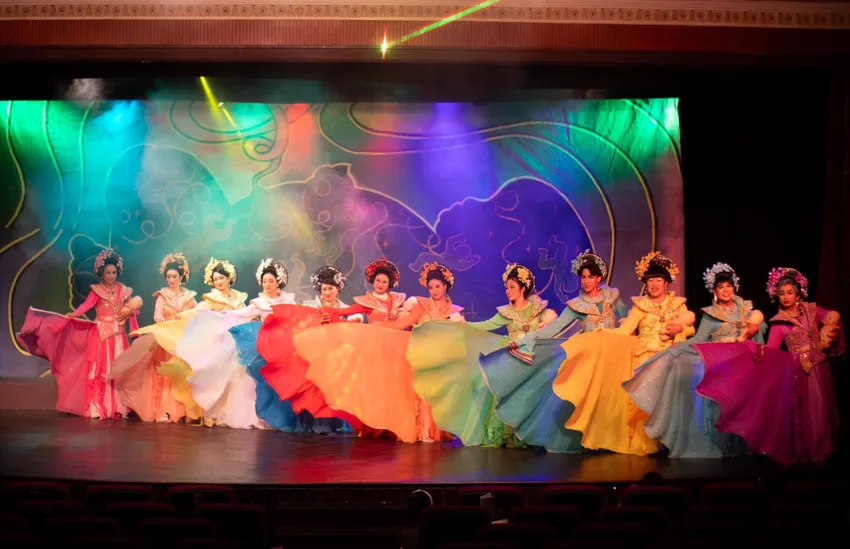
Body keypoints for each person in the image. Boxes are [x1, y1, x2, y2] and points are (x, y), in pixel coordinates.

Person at [470, 250, 627, 452]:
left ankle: (615, 437)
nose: (586, 281)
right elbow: (554, 328)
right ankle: (594, 440)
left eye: (590, 277)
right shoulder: (576, 305)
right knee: (591, 400)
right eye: (583, 277)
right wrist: (525, 341)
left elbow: (627, 319)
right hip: (592, 358)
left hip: (614, 355)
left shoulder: (613, 298)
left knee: (615, 398)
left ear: (599, 278)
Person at [551, 251, 695, 455]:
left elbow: (690, 329)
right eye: (650, 280)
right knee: (647, 404)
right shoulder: (640, 306)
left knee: (673, 401)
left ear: (666, 283)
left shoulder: (678, 304)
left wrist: (680, 329)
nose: (654, 284)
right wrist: (602, 333)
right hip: (646, 359)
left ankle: (674, 441)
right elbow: (624, 330)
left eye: (658, 279)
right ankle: (650, 442)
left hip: (672, 357)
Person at [696, 267, 844, 462]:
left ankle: (825, 449)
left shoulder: (811, 310)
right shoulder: (778, 323)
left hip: (820, 366)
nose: (785, 297)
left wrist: (828, 332)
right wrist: (750, 348)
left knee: (822, 409)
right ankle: (810, 452)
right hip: (799, 370)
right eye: (781, 293)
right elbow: (770, 351)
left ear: (798, 294)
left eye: (789, 292)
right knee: (808, 412)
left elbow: (832, 316)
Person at [407, 263, 558, 447]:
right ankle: (512, 434)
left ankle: (535, 433)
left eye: (512, 287)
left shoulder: (538, 310)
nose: (508, 291)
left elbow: (553, 325)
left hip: (533, 357)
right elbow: (484, 325)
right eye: (507, 287)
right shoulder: (506, 312)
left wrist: (546, 323)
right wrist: (461, 324)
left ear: (523, 288)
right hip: (513, 356)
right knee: (497, 386)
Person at [623, 262, 763, 457]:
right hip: (721, 365)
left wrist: (756, 337)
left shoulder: (748, 311)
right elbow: (698, 338)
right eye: (720, 286)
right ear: (714, 290)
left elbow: (759, 334)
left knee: (745, 405)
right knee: (722, 405)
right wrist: (679, 347)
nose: (725, 290)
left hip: (743, 364)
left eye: (728, 286)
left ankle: (746, 446)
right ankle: (724, 447)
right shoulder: (710, 315)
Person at [293, 258, 440, 442]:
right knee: (374, 389)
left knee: (393, 389)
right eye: (378, 281)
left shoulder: (397, 301)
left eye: (384, 281)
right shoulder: (367, 301)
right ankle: (373, 427)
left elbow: (405, 321)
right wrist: (327, 313)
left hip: (393, 351)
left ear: (389, 283)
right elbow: (345, 312)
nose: (380, 284)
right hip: (374, 349)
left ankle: (391, 427)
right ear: (373, 281)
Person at [17, 248, 143, 419]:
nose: (111, 276)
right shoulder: (97, 291)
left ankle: (119, 407)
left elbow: (133, 310)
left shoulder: (123, 290)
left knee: (119, 370)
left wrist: (133, 326)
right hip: (101, 335)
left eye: (113, 272)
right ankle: (98, 407)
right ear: (102, 273)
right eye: (107, 272)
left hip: (119, 336)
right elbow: (86, 306)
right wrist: (74, 314)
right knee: (102, 370)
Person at [181, 258, 295, 429]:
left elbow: (296, 315)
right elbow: (243, 313)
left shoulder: (287, 300)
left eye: (270, 281)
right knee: (256, 378)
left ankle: (283, 415)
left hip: (283, 345)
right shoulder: (260, 303)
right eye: (264, 281)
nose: (267, 285)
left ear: (278, 282)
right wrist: (222, 314)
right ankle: (260, 414)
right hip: (265, 344)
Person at [152, 256, 248, 423]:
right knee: (218, 377)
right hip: (220, 340)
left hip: (236, 340)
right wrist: (182, 314)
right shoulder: (212, 297)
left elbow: (245, 312)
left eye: (221, 278)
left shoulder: (237, 297)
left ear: (229, 278)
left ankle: (234, 411)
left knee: (237, 377)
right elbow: (198, 310)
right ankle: (214, 411)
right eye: (215, 279)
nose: (218, 282)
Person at [108, 252, 196, 422]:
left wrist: (187, 316)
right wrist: (161, 319)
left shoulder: (189, 296)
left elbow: (197, 311)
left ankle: (183, 410)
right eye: (168, 276)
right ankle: (164, 409)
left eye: (174, 276)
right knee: (164, 374)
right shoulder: (163, 295)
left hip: (182, 338)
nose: (171, 280)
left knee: (182, 373)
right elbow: (157, 315)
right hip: (166, 336)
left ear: (181, 277)